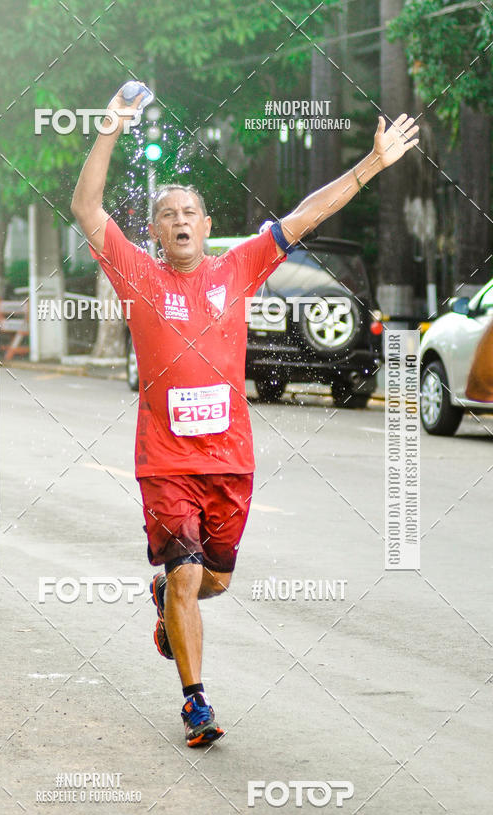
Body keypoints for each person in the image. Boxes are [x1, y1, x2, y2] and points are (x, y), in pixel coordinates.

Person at [71, 83, 419, 747]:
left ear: (206, 226)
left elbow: (307, 215)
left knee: (217, 580)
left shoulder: (240, 267)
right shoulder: (140, 276)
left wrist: (371, 164)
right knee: (186, 570)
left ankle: (170, 608)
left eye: (190, 211)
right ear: (154, 231)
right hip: (167, 461)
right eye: (167, 212)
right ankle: (195, 702)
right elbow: (85, 206)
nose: (178, 218)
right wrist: (112, 125)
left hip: (230, 460)